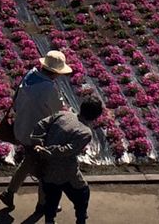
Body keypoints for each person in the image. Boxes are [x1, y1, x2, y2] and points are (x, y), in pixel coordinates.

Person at [0, 50, 73, 211]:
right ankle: (43, 203)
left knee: (29, 161)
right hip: (38, 135)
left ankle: (9, 192)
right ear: (55, 72)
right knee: (45, 169)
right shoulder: (48, 89)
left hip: (21, 128)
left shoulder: (30, 75)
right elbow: (58, 111)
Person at [31, 96, 105, 224]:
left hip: (46, 168)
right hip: (67, 172)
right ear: (96, 116)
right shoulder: (85, 132)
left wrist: (39, 143)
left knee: (51, 199)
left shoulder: (63, 114)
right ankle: (81, 219)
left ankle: (49, 221)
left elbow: (40, 124)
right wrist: (48, 151)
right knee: (82, 193)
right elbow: (67, 150)